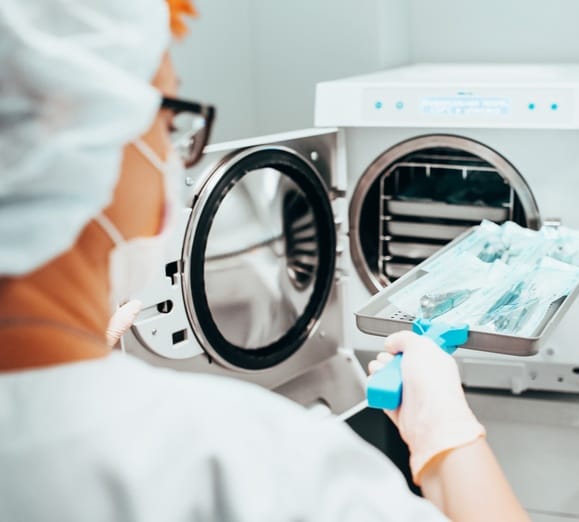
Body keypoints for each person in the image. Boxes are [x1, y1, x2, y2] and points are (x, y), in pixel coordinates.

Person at [0, 1, 529, 521]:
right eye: (170, 124)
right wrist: (447, 439)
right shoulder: (247, 462)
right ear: (81, 142)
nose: (174, 153)